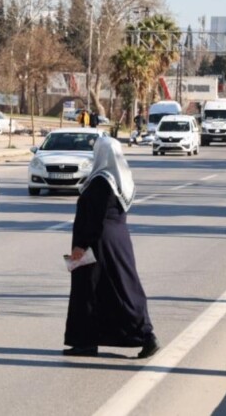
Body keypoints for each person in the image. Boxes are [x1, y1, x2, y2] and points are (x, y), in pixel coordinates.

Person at [64, 136, 159, 358]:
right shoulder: (122, 178)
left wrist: (81, 246)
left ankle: (145, 335)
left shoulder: (101, 181)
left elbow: (95, 219)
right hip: (118, 240)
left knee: (92, 288)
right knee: (119, 286)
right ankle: (87, 341)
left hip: (99, 242)